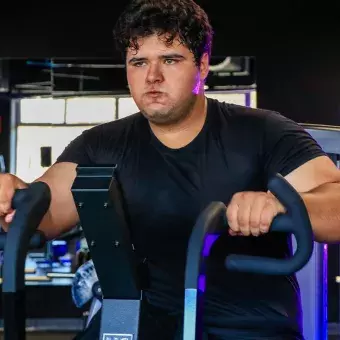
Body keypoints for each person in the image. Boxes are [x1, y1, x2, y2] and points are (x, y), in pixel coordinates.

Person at [1, 0, 340, 338]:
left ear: (203, 65)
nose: (153, 76)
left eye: (170, 59)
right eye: (138, 62)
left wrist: (282, 203)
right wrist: (13, 199)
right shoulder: (101, 144)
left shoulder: (264, 132)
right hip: (147, 321)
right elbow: (44, 209)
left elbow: (336, 204)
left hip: (249, 326)